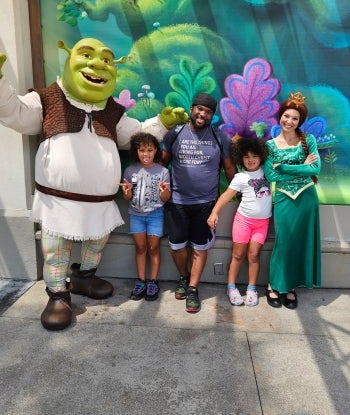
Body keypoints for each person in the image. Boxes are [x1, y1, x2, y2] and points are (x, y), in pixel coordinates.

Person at [0, 38, 188, 331]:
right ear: (68, 58)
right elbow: (17, 115)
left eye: (106, 59)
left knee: (96, 244)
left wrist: (161, 123)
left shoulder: (112, 110)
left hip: (99, 203)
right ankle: (58, 295)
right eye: (86, 55)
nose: (97, 64)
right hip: (57, 201)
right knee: (55, 249)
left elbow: (135, 136)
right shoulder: (49, 97)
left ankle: (84, 279)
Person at [161, 93, 236, 313]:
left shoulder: (220, 137)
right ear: (192, 109)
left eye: (208, 112)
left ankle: (193, 288)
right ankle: (184, 277)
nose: (203, 114)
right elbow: (161, 164)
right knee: (177, 246)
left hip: (206, 203)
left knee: (200, 248)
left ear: (212, 116)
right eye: (199, 109)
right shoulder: (174, 134)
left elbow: (230, 168)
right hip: (177, 201)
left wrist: (241, 190)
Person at [264, 91, 321, 309]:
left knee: (300, 242)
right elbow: (271, 175)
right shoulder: (270, 146)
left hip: (307, 197)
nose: (290, 121)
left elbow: (315, 168)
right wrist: (302, 168)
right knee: (284, 242)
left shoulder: (309, 140)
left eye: (295, 118)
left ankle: (290, 287)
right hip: (283, 198)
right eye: (287, 116)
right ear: (280, 116)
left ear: (300, 121)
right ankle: (273, 285)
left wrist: (286, 167)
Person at [207, 137, 272, 306]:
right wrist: (214, 212)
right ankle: (231, 287)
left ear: (261, 157)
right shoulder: (240, 177)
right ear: (241, 158)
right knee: (237, 255)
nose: (251, 160)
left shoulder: (268, 171)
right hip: (243, 222)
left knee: (254, 255)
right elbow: (226, 196)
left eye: (255, 156)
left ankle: (251, 288)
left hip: (262, 223)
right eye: (247, 157)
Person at [121, 132, 171, 301]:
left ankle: (153, 282)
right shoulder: (130, 170)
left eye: (149, 150)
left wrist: (164, 192)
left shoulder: (163, 171)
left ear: (156, 150)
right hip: (136, 215)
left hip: (156, 215)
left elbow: (166, 199)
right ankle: (141, 281)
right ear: (137, 151)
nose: (146, 154)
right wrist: (126, 192)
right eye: (142, 150)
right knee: (141, 248)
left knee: (154, 248)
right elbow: (127, 197)